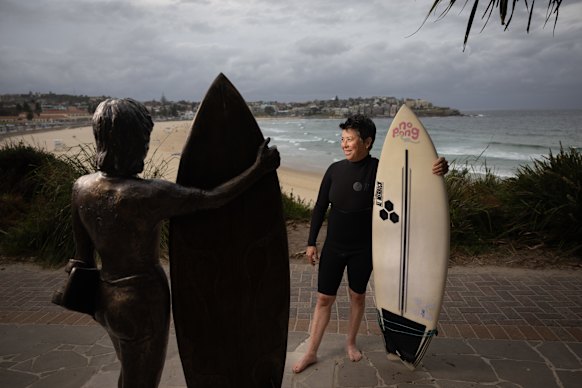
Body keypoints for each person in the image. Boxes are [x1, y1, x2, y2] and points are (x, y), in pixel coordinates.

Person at [60, 98, 280, 387]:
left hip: (104, 299)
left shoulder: (81, 188)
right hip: (142, 302)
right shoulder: (147, 195)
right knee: (143, 381)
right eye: (143, 139)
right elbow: (212, 198)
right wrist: (258, 169)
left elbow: (82, 260)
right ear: (131, 141)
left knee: (129, 371)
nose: (146, 147)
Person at [292, 113, 448, 373]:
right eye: (342, 139)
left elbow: (411, 176)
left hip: (362, 249)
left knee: (357, 297)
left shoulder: (380, 169)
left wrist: (439, 168)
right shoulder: (334, 170)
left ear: (367, 141)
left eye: (350, 139)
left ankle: (350, 343)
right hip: (333, 247)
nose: (344, 144)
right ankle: (311, 352)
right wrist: (311, 243)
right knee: (323, 299)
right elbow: (320, 207)